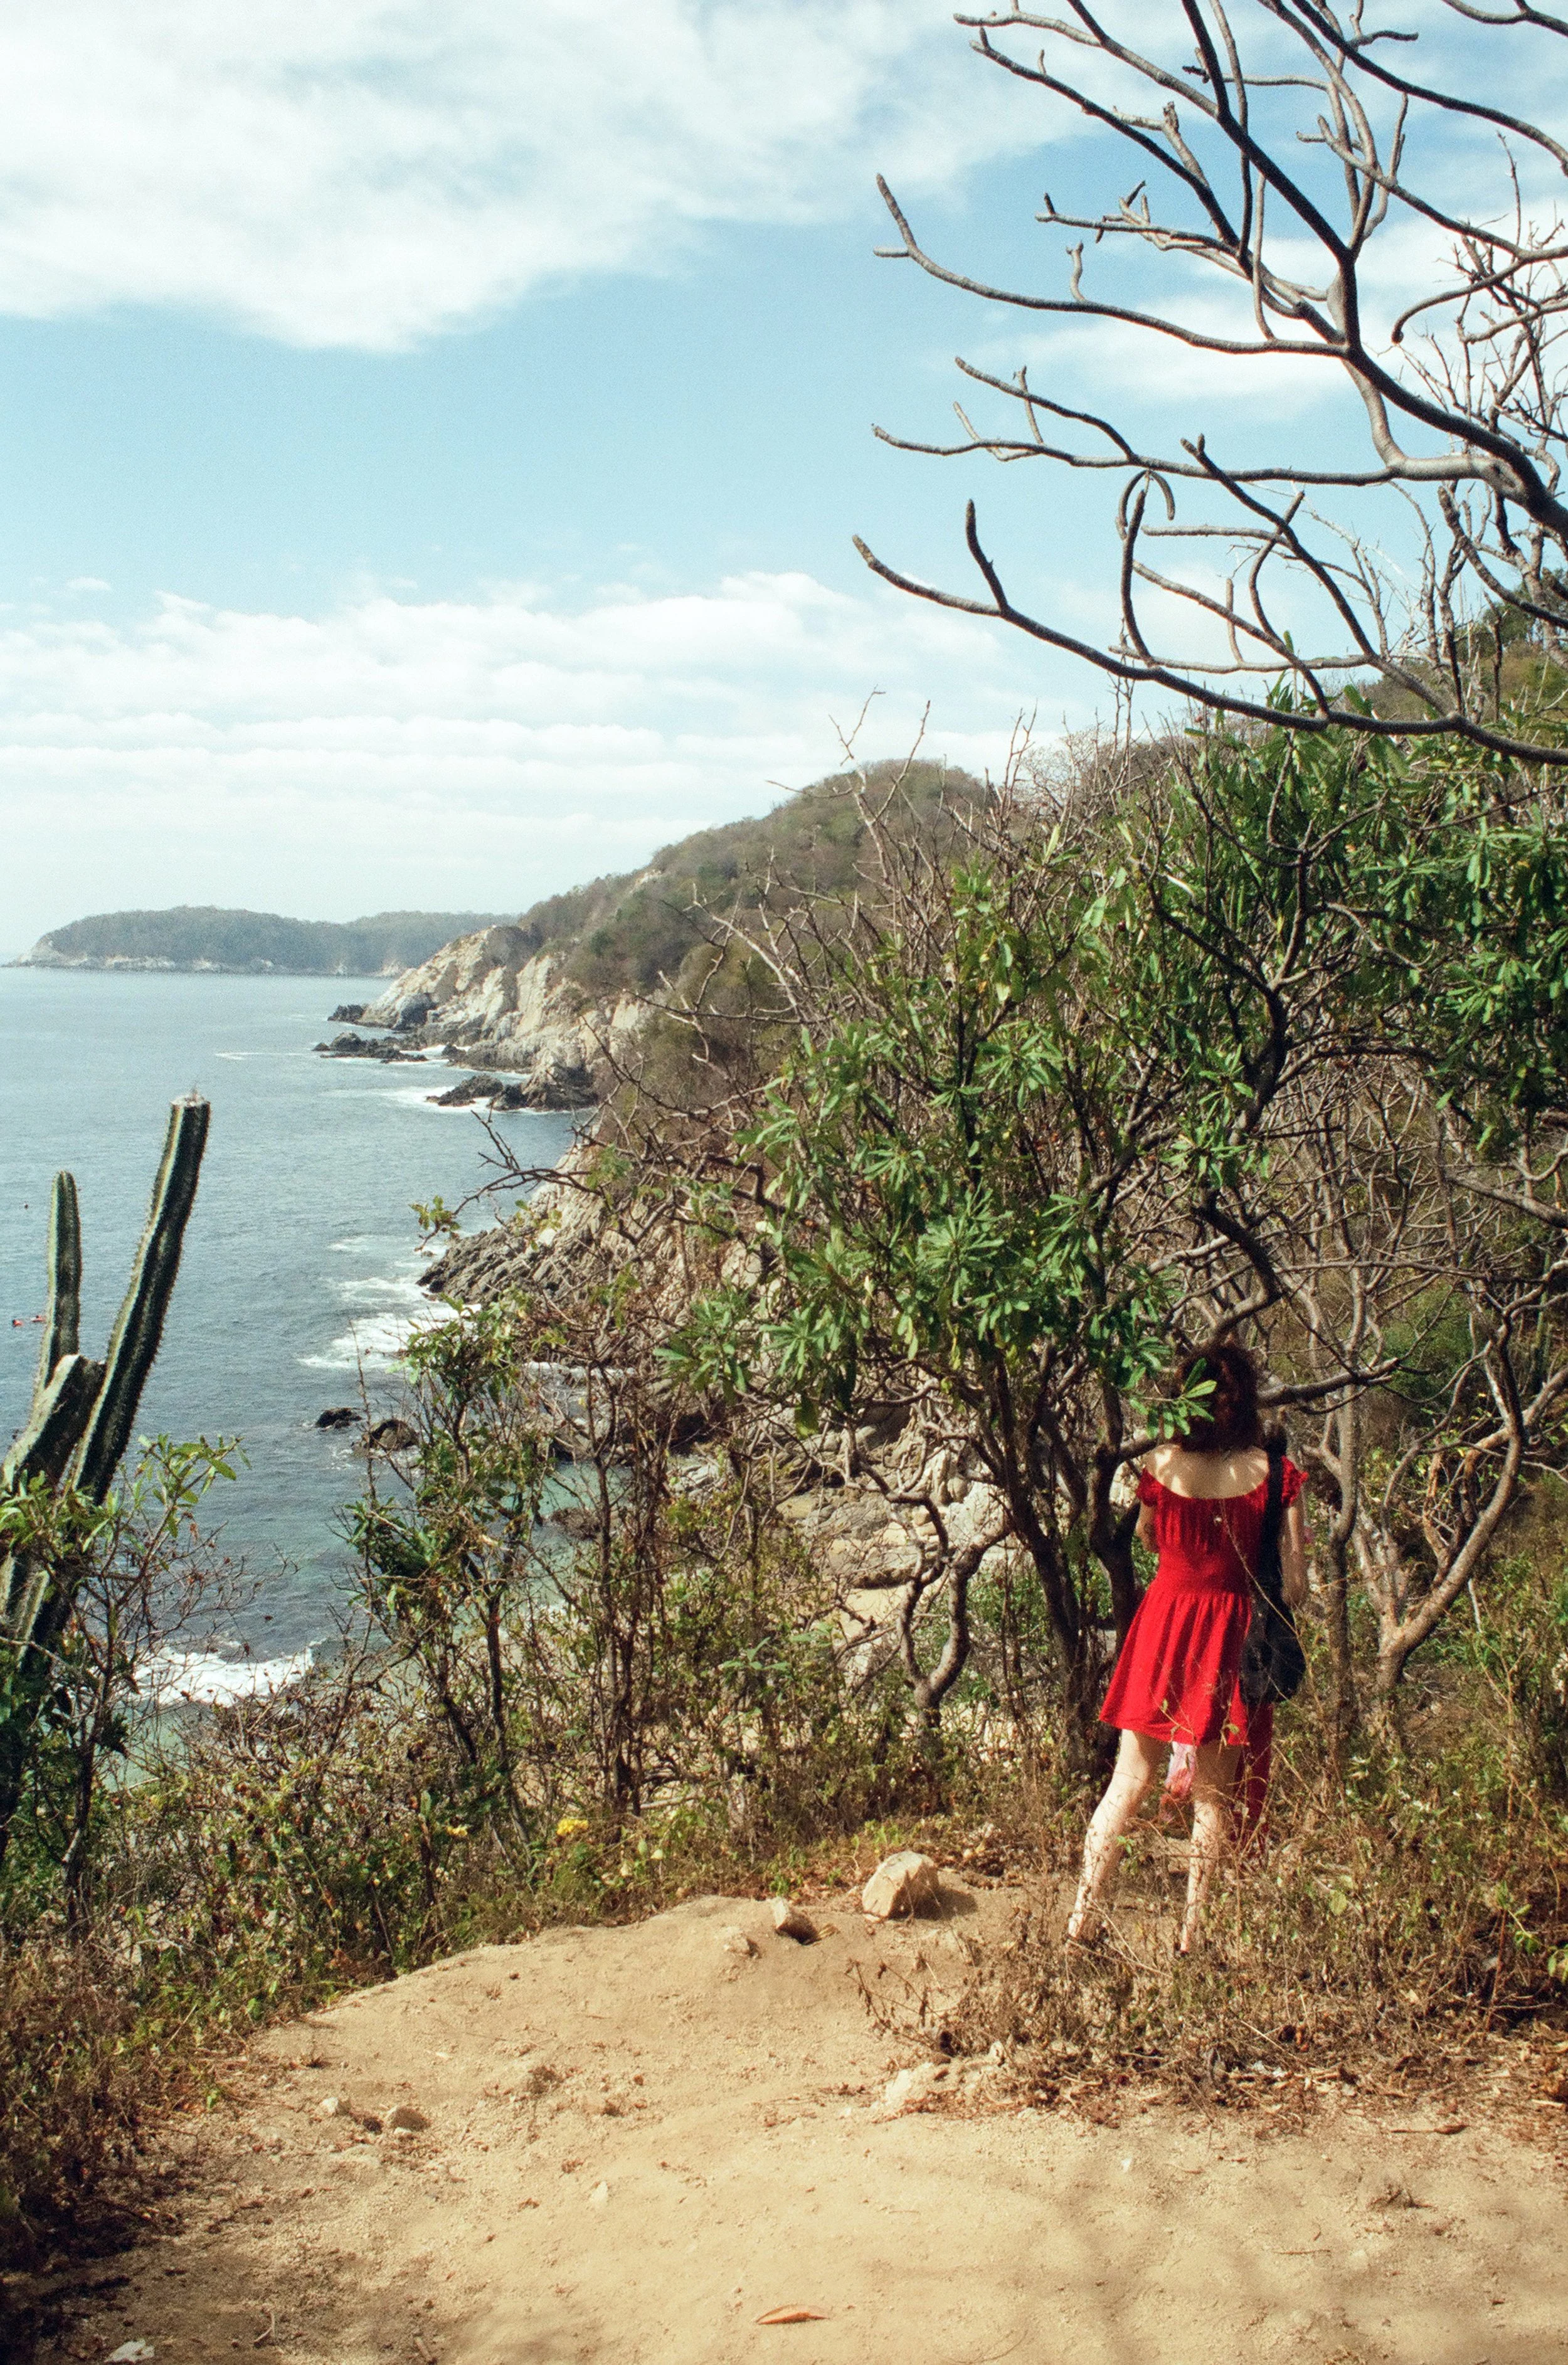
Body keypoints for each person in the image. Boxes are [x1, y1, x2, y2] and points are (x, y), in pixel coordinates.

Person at [1066, 1342, 1308, 1953]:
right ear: (1246, 1401)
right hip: (1228, 1636)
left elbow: (1148, 1538)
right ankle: (1192, 1941)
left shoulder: (1161, 1467)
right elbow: (1298, 1585)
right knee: (1212, 1798)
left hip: (1161, 1627)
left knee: (1128, 1781)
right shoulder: (1274, 1475)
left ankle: (1080, 1925)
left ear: (1190, 1397)